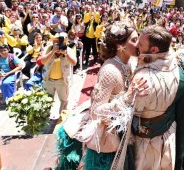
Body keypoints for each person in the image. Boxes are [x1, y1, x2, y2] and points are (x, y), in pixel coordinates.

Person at [56, 22, 140, 170]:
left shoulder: (131, 62)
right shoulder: (109, 70)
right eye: (134, 40)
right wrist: (125, 99)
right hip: (107, 137)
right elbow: (96, 111)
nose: (138, 43)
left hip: (126, 129)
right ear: (120, 46)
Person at [122, 25, 184, 169]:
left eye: (141, 43)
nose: (137, 45)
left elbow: (128, 114)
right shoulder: (179, 66)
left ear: (154, 50)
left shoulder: (143, 79)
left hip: (146, 147)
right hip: (169, 138)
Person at [39, 32, 77, 119]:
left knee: (64, 101)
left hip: (62, 81)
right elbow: (43, 61)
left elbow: (74, 63)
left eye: (60, 42)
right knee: (46, 100)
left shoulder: (68, 50)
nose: (58, 44)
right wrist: (53, 52)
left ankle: (62, 118)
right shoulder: (48, 49)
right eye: (55, 42)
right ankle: (45, 118)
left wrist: (65, 53)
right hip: (48, 80)